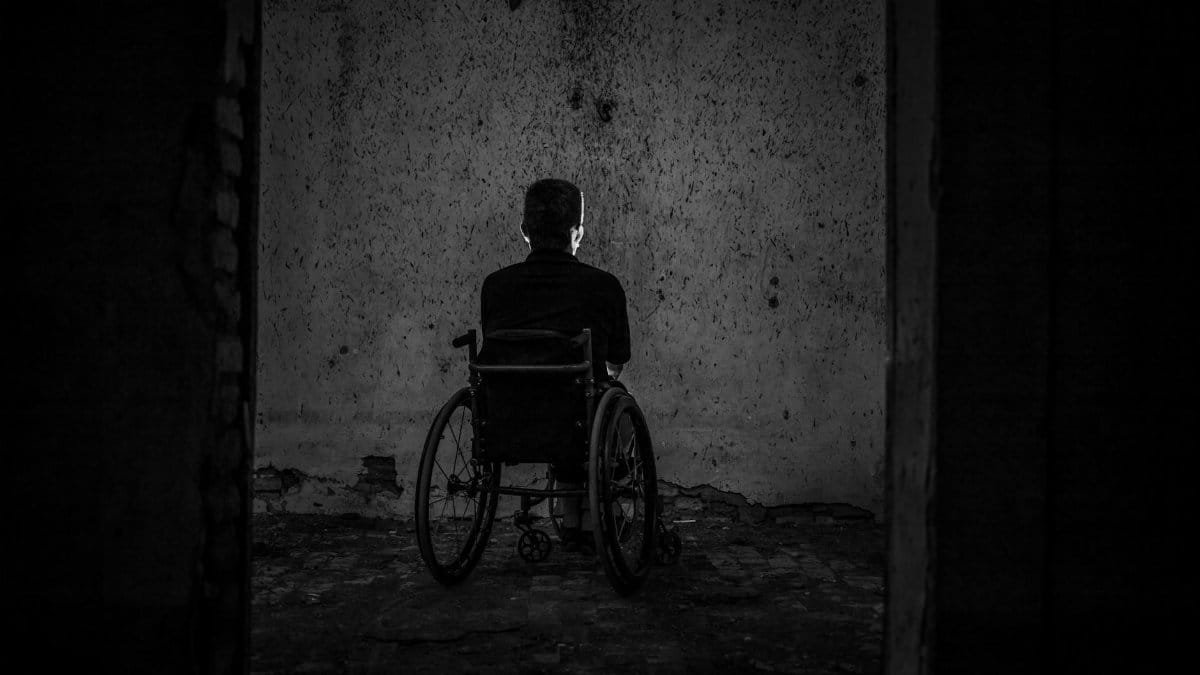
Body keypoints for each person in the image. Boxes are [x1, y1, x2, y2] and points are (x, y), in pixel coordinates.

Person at [479, 178, 632, 551]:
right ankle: (591, 513)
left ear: (524, 230)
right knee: (605, 395)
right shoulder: (603, 286)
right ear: (577, 232)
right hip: (577, 418)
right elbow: (618, 359)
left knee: (566, 396)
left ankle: (571, 512)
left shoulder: (496, 287)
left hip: (508, 418)